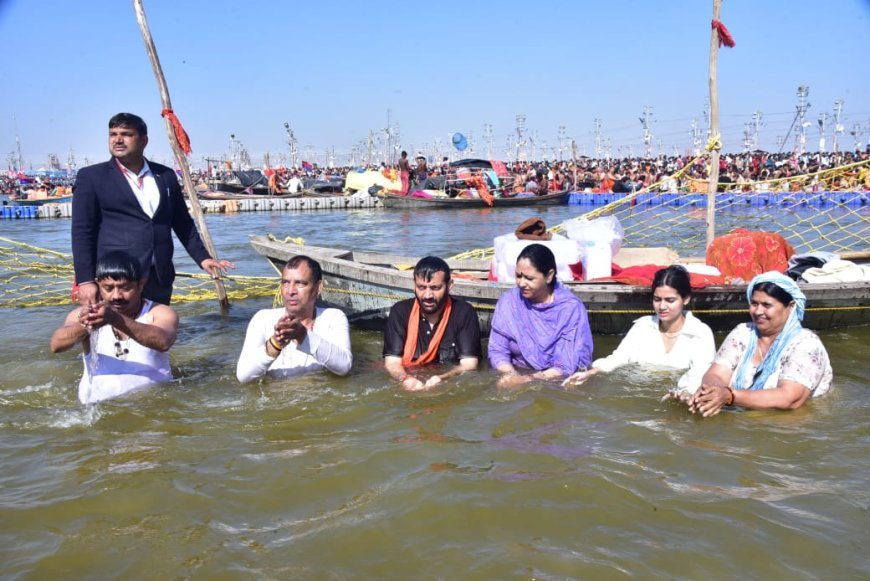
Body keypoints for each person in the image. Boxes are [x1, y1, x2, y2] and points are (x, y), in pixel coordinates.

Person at [72, 112, 234, 306]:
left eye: (126, 134)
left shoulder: (165, 175)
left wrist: (203, 258)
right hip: (114, 281)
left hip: (159, 276)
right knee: (113, 334)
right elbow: (82, 232)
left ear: (143, 140)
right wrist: (85, 280)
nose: (118, 140)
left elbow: (182, 223)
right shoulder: (92, 177)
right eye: (113, 134)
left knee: (157, 332)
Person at [686, 271, 833, 416]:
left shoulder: (806, 344)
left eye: (766, 305)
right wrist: (712, 393)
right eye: (754, 303)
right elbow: (716, 374)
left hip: (786, 425)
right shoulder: (743, 332)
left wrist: (729, 396)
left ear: (790, 306)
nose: (758, 311)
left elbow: (790, 398)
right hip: (742, 414)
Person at [50, 250, 178, 404]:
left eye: (124, 288)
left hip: (152, 405)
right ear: (99, 286)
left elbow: (163, 341)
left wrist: (114, 319)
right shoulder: (85, 314)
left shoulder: (159, 312)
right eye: (108, 288)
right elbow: (56, 345)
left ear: (141, 284)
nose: (116, 296)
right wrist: (86, 325)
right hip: (96, 408)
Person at [562, 265, 715, 392]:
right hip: (638, 392)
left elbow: (701, 374)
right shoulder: (643, 327)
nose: (662, 306)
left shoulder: (700, 334)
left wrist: (685, 394)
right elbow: (620, 357)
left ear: (686, 299)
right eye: (657, 299)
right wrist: (591, 372)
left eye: (670, 300)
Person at [489, 243, 593, 387]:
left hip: (556, 380)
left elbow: (567, 363)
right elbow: (498, 350)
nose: (521, 283)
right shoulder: (509, 302)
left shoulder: (569, 309)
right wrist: (510, 375)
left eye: (529, 278)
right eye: (518, 276)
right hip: (516, 372)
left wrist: (528, 380)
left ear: (549, 276)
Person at [236, 255, 352, 383]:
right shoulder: (262, 319)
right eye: (285, 283)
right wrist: (276, 344)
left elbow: (344, 367)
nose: (290, 291)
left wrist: (302, 335)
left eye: (300, 283)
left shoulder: (333, 318)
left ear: (318, 288)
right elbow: (243, 377)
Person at [383, 256, 481, 391]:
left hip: (447, 384)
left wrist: (443, 378)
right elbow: (392, 362)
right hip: (410, 380)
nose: (428, 295)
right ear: (414, 285)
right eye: (421, 287)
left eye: (435, 288)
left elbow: (469, 364)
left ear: (449, 285)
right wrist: (405, 379)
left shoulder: (464, 313)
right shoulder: (400, 312)